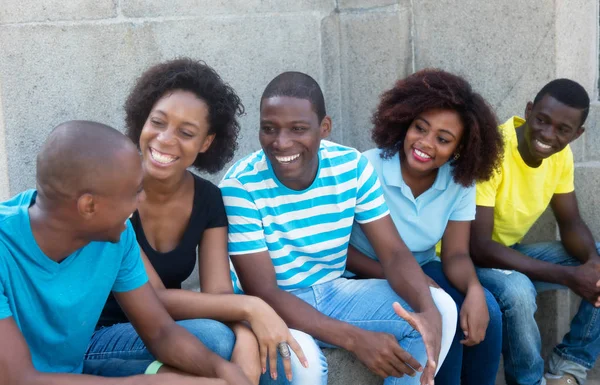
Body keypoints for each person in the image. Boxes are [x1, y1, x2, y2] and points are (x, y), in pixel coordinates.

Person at [220, 71, 458, 385]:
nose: (281, 142)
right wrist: (356, 339)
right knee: (306, 365)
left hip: (334, 292)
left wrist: (427, 311)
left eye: (298, 129)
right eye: (269, 129)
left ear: (324, 128)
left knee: (442, 307)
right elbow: (263, 291)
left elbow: (395, 253)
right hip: (272, 306)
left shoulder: (352, 166)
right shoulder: (240, 185)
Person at [85, 59, 307, 385]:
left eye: (186, 132)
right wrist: (251, 309)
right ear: (142, 121)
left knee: (265, 351)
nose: (165, 139)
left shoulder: (208, 200)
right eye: (158, 122)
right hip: (101, 337)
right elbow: (152, 298)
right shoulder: (115, 190)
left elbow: (217, 294)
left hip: (170, 328)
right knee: (214, 339)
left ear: (205, 142)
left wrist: (245, 330)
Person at [0, 120, 251, 384]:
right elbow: (17, 378)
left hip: (74, 372)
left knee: (205, 355)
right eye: (134, 192)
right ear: (89, 206)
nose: (141, 200)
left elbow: (161, 333)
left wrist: (223, 371)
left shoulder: (116, 237)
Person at [345, 69, 504, 385]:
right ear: (405, 123)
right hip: (365, 272)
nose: (426, 143)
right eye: (420, 128)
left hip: (423, 268)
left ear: (459, 149)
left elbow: (456, 255)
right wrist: (413, 279)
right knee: (443, 315)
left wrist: (473, 289)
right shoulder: (366, 167)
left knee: (489, 311)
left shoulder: (459, 182)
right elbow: (341, 251)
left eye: (443, 139)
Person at [469, 78, 600, 385]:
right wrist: (568, 276)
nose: (547, 134)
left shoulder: (560, 156)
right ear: (529, 111)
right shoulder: (492, 151)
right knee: (518, 291)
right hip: (461, 260)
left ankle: (568, 368)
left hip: (507, 255)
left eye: (562, 130)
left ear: (577, 134)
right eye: (542, 120)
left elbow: (571, 224)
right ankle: (528, 381)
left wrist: (593, 267)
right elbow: (479, 247)